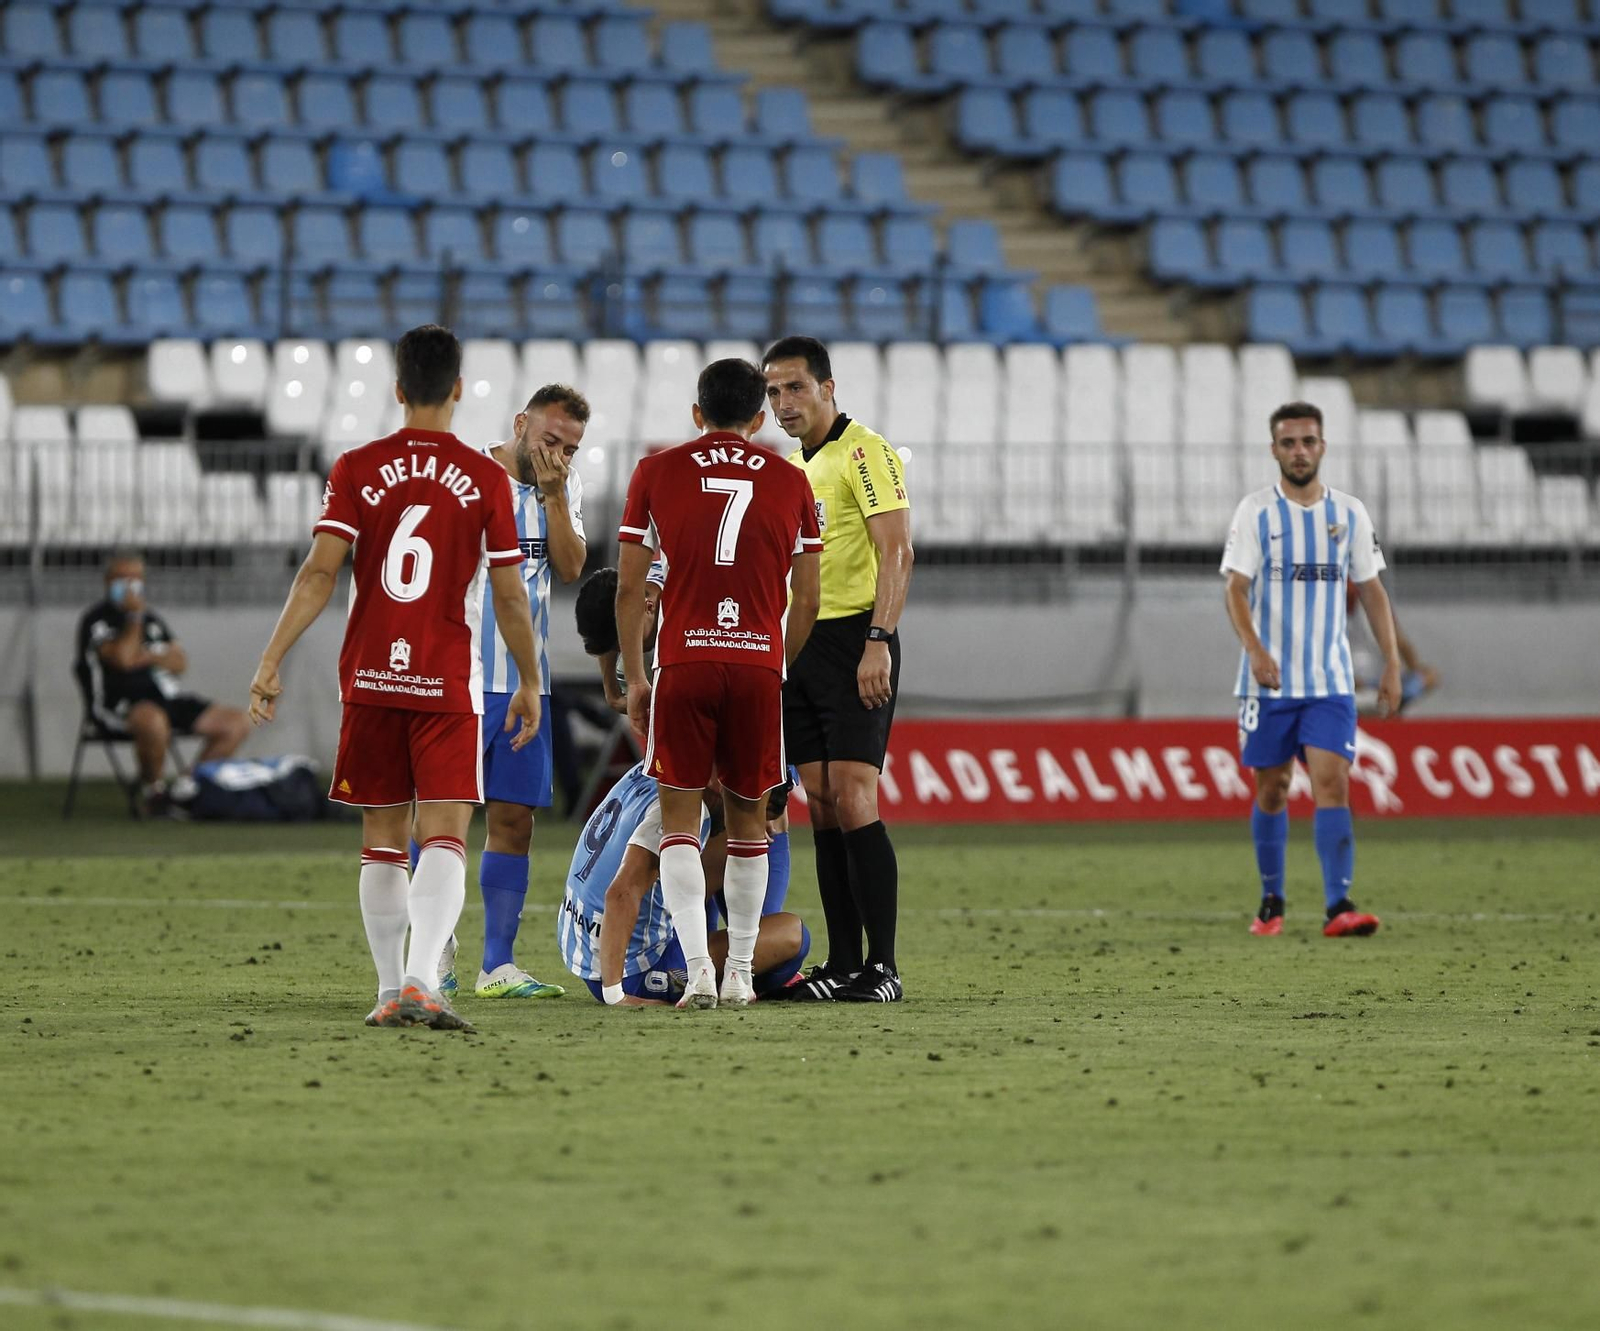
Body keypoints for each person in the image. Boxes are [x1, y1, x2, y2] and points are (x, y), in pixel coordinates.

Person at [247, 324, 543, 1032]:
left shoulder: (356, 467)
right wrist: (529, 677)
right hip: (445, 678)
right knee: (444, 832)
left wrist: (270, 658)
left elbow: (321, 570)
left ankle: (387, 988)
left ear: (400, 388)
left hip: (373, 674)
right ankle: (421, 981)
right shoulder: (484, 479)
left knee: (381, 834)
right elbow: (507, 592)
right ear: (460, 389)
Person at [616, 357, 821, 1009]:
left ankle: (700, 970)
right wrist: (774, 664)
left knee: (679, 825)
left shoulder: (655, 471)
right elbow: (809, 598)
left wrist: (636, 673)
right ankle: (739, 977)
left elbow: (629, 586)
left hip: (684, 662)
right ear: (760, 418)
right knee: (749, 826)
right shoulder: (791, 481)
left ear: (696, 414)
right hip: (757, 666)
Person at [761, 336, 914, 1003]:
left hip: (857, 637)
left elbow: (898, 549)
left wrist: (879, 637)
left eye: (795, 387)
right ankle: (844, 963)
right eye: (772, 392)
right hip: (805, 644)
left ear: (828, 386)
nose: (783, 403)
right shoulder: (793, 466)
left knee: (855, 794)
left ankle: (884, 967)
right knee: (820, 801)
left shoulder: (864, 451)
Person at [1222, 400, 1402, 940]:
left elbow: (1372, 591)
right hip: (1269, 681)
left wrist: (1391, 662)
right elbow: (1235, 587)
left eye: (1308, 441)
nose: (1299, 451)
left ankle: (1338, 906)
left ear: (1322, 447)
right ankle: (1272, 900)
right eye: (1288, 442)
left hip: (1329, 681)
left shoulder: (1349, 514)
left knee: (1333, 782)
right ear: (1274, 449)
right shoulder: (1256, 512)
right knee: (1272, 790)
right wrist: (1254, 648)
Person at [434, 384, 590, 1003]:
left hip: (528, 681)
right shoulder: (467, 477)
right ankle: (435, 950)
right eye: (550, 440)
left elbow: (572, 567)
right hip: (463, 676)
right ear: (521, 424)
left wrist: (554, 494)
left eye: (571, 448)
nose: (559, 454)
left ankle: (496, 963)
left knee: (514, 819)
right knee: (445, 817)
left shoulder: (562, 488)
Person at [557, 761, 809, 1005]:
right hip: (634, 969)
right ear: (719, 784)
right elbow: (622, 892)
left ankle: (701, 946)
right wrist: (614, 994)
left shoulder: (654, 772)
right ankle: (709, 971)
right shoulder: (685, 812)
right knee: (794, 936)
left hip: (586, 947)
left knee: (723, 839)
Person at [76, 553, 252, 815]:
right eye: (122, 579)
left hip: (166, 697)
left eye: (136, 579)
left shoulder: (153, 621)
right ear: (107, 581)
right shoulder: (97, 620)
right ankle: (154, 794)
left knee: (236, 722)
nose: (130, 585)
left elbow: (179, 661)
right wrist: (135, 619)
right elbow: (123, 659)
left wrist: (144, 656)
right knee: (152, 720)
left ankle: (184, 790)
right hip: (119, 704)